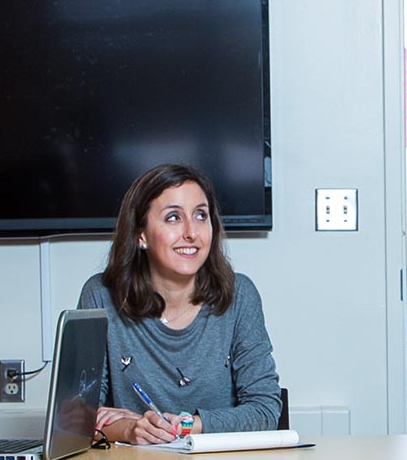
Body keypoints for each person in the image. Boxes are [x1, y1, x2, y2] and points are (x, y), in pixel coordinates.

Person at [75, 163, 283, 443]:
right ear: (141, 234)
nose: (191, 232)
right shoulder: (101, 295)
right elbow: (78, 415)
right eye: (173, 218)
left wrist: (186, 425)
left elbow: (265, 411)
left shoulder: (239, 294)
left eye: (200, 215)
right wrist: (129, 429)